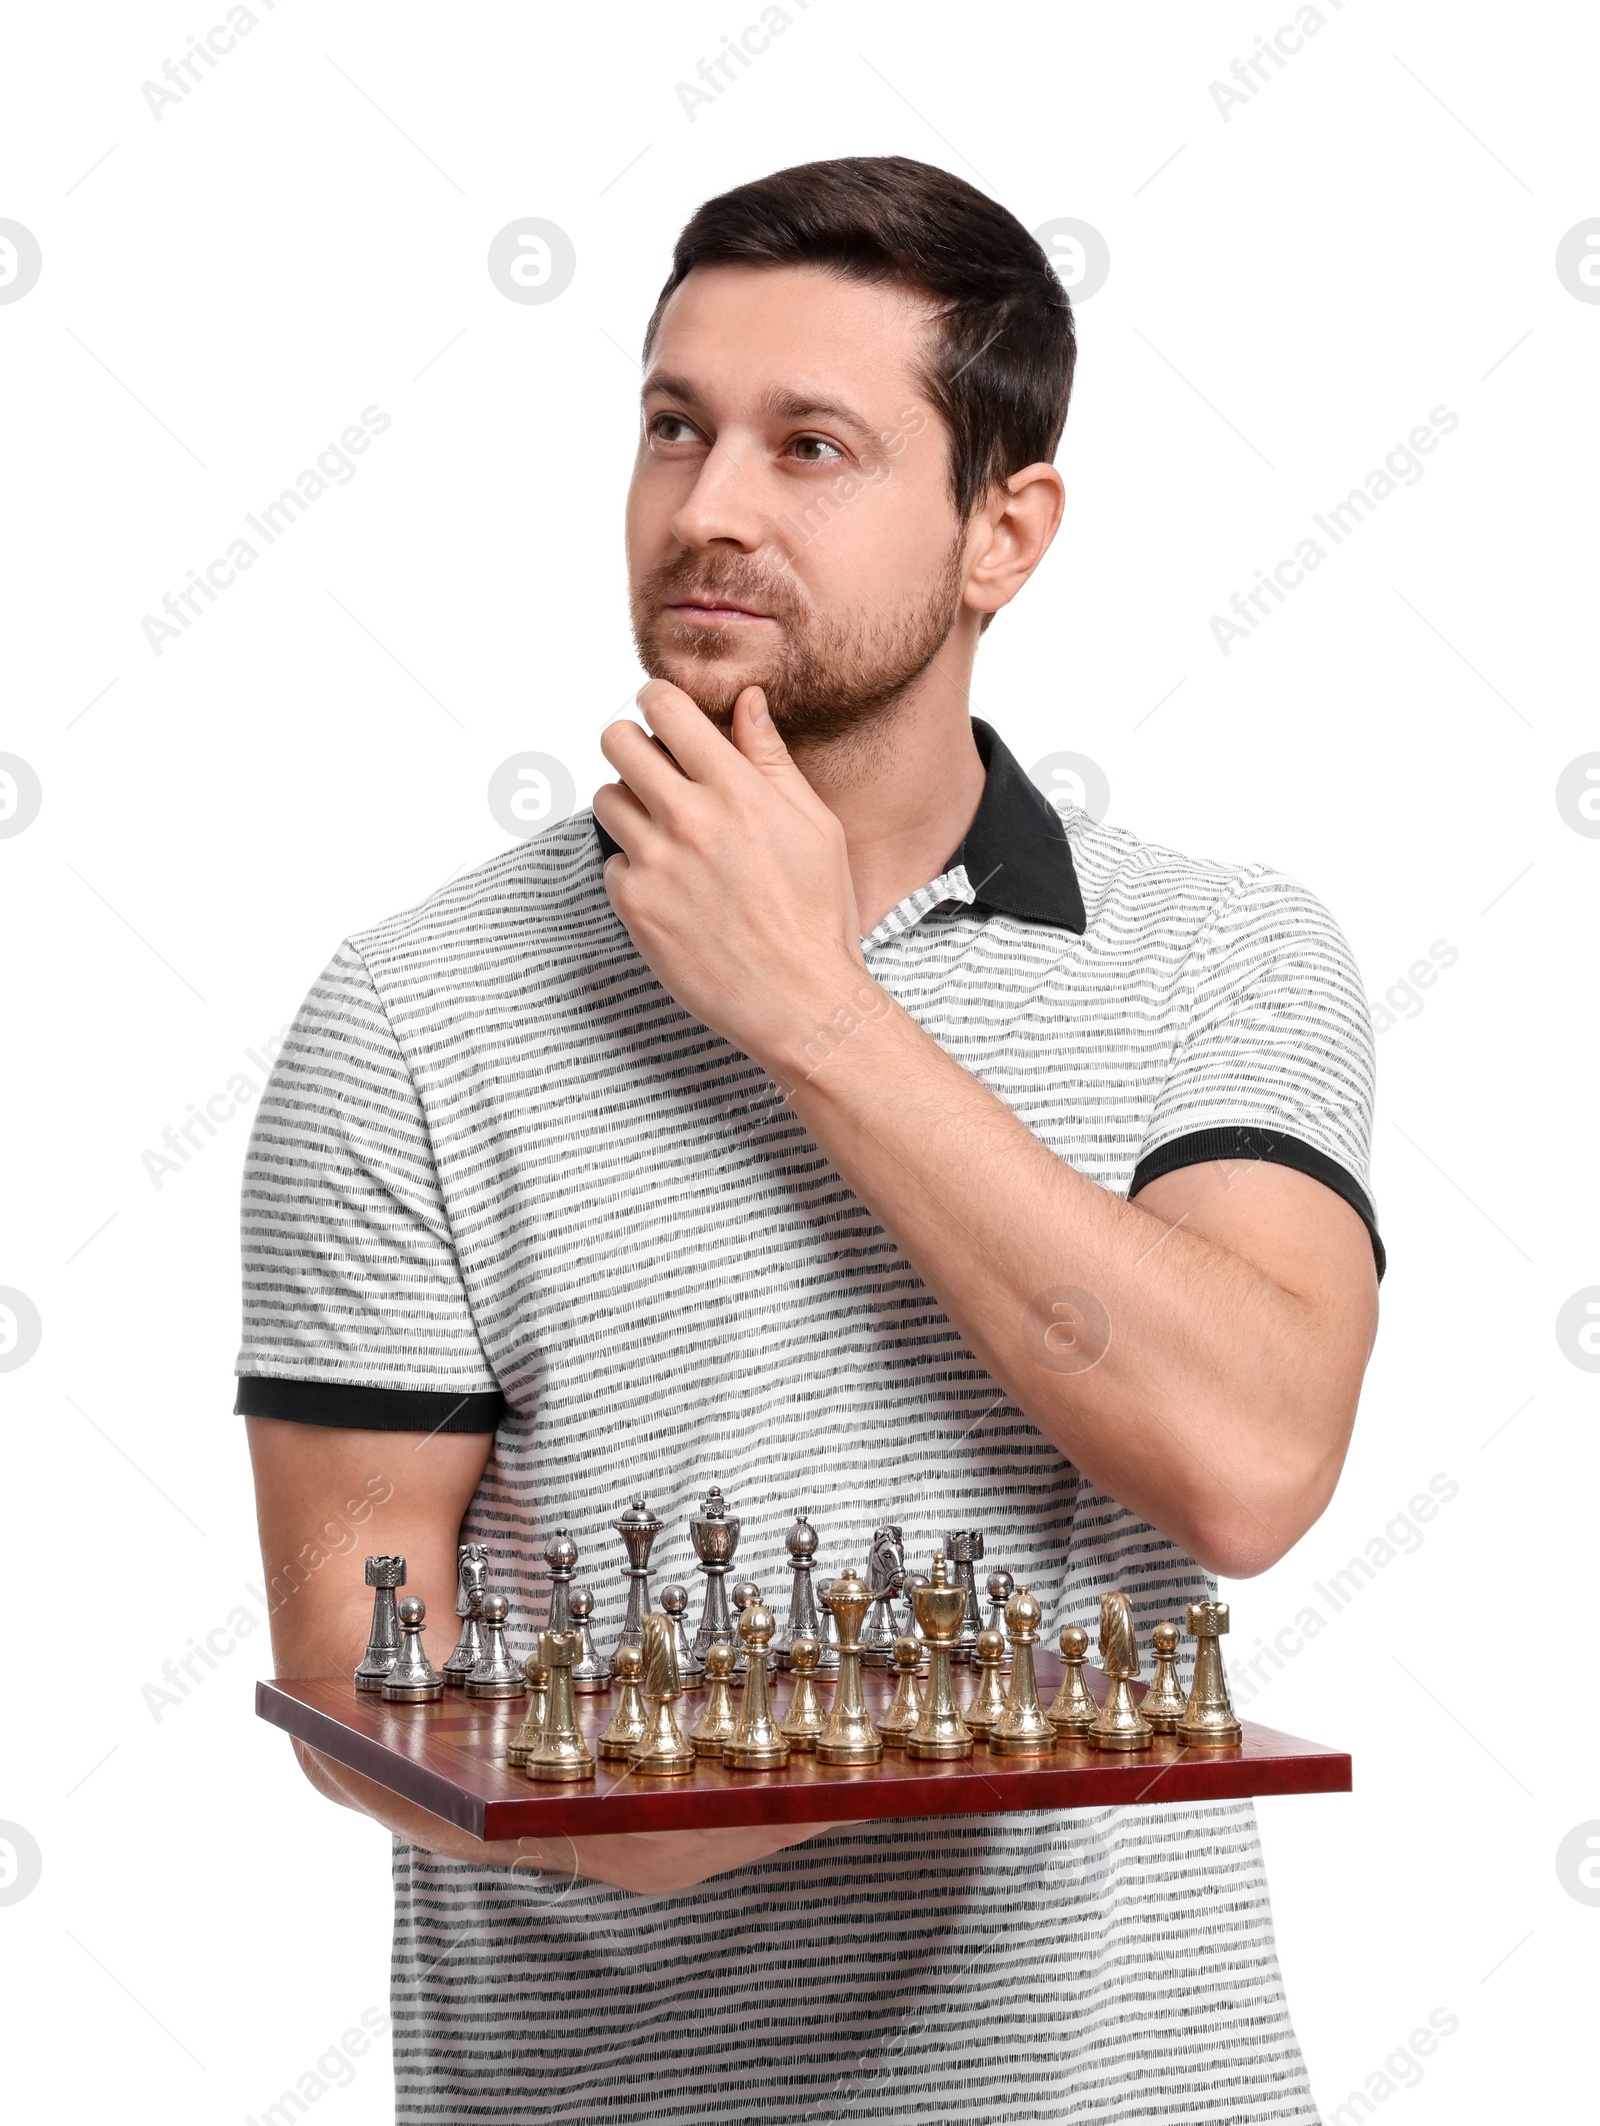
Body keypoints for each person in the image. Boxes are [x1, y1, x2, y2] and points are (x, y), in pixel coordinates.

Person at [241, 155, 1381, 2124]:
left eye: (812, 446)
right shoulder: (408, 1015)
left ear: (998, 534)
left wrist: (804, 1005)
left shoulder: (1218, 958)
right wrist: (693, 1798)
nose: (707, 508)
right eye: (671, 426)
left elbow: (1248, 1460)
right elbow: (359, 1687)